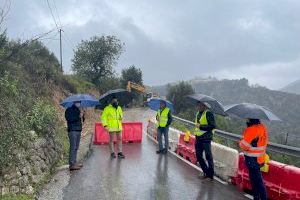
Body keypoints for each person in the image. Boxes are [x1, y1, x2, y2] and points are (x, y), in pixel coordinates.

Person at [239, 119, 268, 200]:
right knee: (257, 180)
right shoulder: (262, 127)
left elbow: (244, 145)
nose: (246, 119)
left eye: (248, 118)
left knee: (256, 181)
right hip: (260, 158)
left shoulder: (251, 129)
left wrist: (240, 141)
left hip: (252, 160)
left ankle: (261, 198)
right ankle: (258, 197)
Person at [194, 101, 215, 180]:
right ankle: (206, 172)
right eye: (198, 105)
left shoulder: (208, 113)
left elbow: (212, 126)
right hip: (198, 138)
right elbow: (197, 126)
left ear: (204, 106)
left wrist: (201, 126)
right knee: (198, 156)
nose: (198, 107)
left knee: (208, 156)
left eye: (200, 105)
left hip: (206, 138)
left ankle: (211, 175)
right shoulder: (197, 114)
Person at [65, 101, 84, 171]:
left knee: (76, 147)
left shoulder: (78, 109)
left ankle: (74, 162)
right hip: (72, 130)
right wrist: (78, 116)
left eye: (79, 102)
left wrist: (83, 115)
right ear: (74, 102)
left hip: (78, 130)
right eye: (78, 102)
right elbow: (69, 119)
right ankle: (72, 164)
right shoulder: (69, 110)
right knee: (73, 147)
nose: (79, 103)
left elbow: (82, 120)